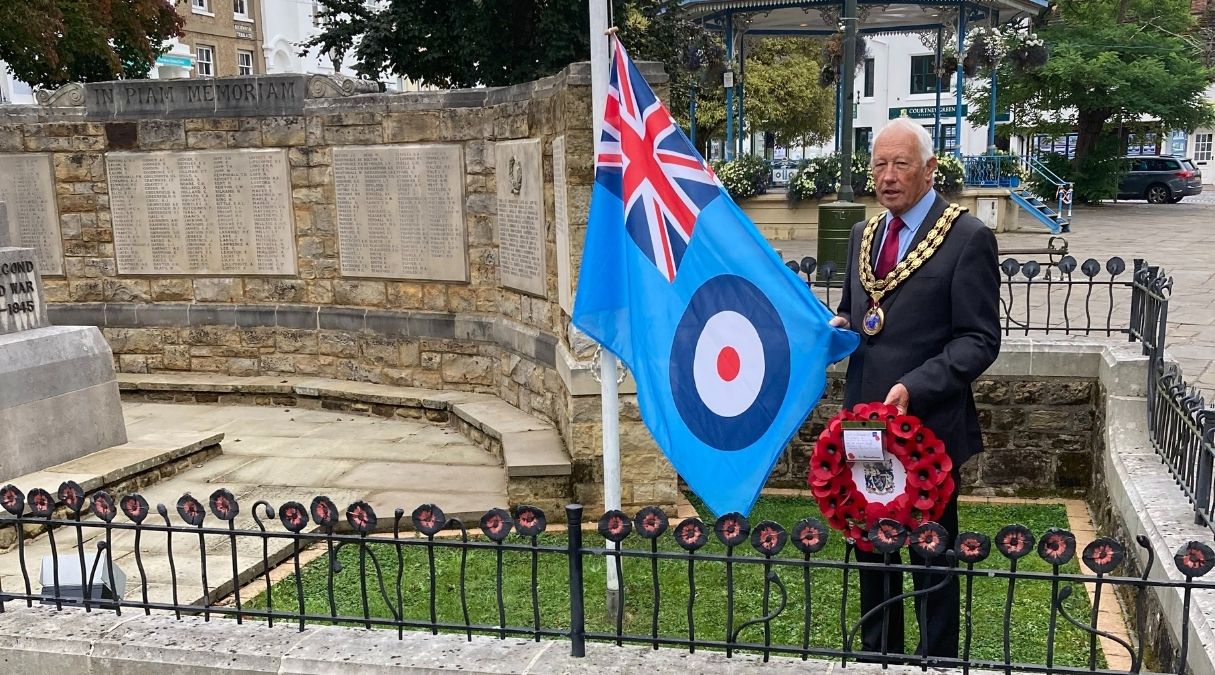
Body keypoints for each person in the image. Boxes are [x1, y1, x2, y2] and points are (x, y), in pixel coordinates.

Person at [829, 117, 1001, 660]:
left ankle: (936, 662)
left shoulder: (968, 237)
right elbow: (857, 314)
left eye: (901, 163)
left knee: (930, 557)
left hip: (926, 430)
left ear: (930, 169)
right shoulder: (864, 234)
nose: (887, 175)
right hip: (864, 427)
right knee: (873, 555)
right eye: (879, 163)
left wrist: (916, 385)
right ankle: (879, 657)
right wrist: (835, 327)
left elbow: (979, 339)